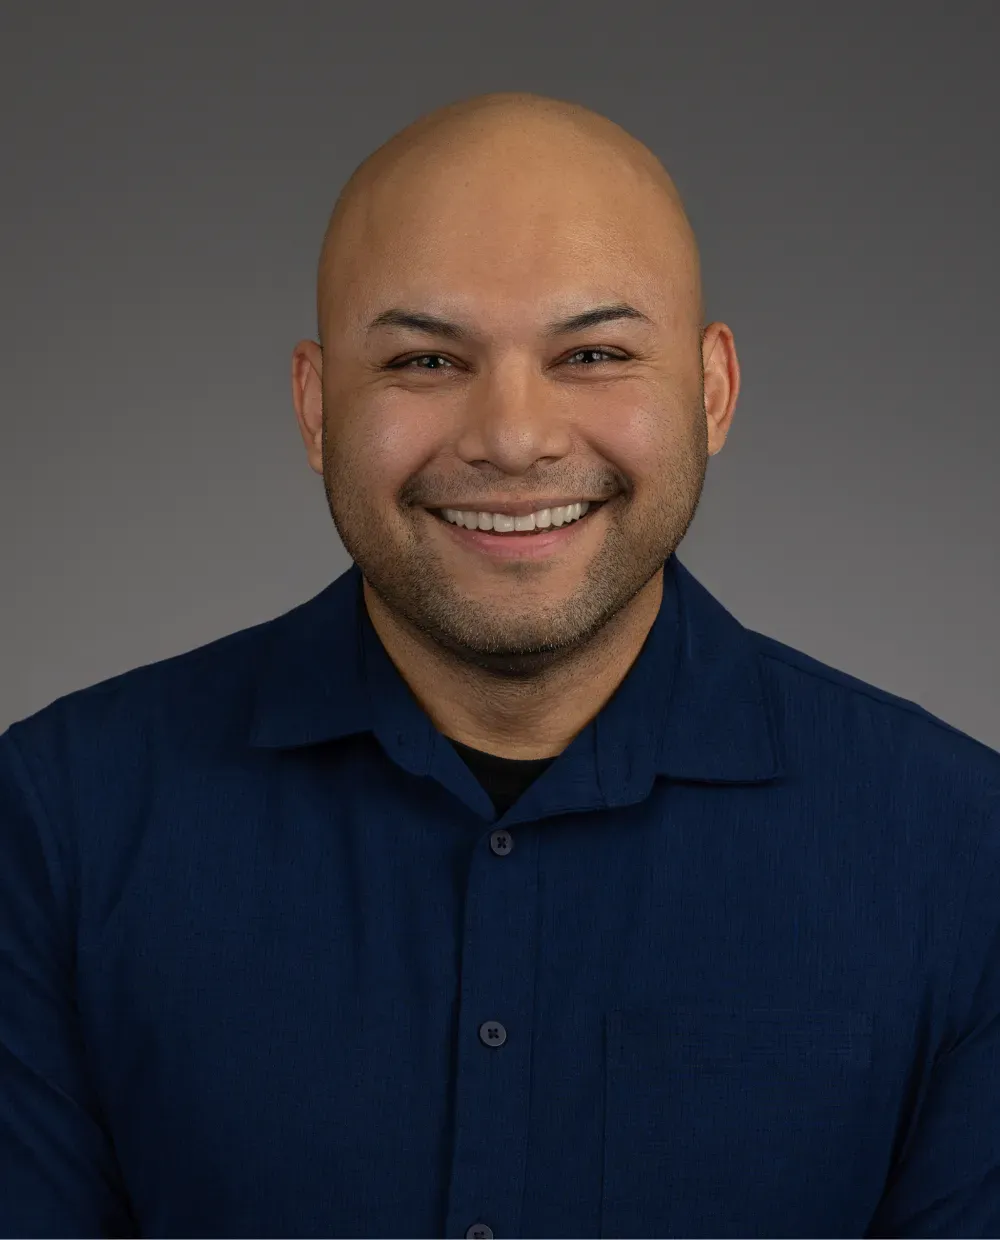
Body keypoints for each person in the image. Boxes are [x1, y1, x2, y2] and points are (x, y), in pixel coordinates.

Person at [1, 91, 998, 1240]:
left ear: (711, 392)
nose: (513, 437)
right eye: (426, 358)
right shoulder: (57, 826)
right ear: (317, 405)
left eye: (593, 352)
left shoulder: (963, 852)